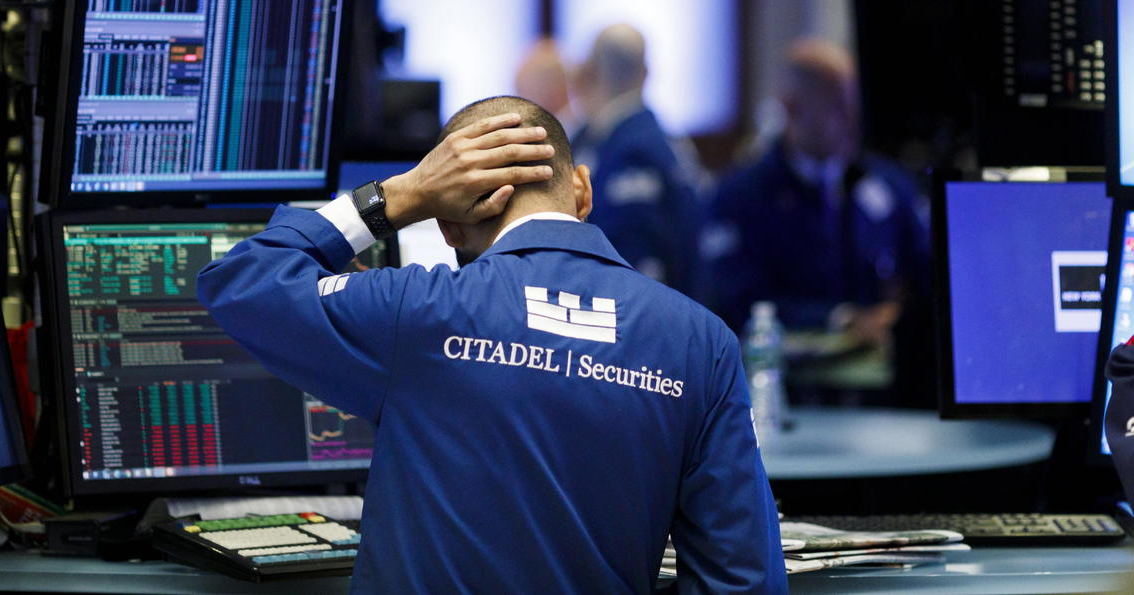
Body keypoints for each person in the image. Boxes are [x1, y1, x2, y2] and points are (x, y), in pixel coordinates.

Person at [199, 95, 786, 594]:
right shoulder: (703, 342)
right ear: (582, 190)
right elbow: (744, 579)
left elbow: (242, 280)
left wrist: (403, 194)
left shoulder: (418, 309)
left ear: (447, 224)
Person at [698, 39, 932, 401]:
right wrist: (842, 319)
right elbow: (737, 302)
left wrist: (900, 318)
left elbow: (927, 270)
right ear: (792, 108)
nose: (852, 119)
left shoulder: (885, 185)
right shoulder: (740, 198)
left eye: (853, 103)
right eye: (837, 105)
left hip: (885, 395)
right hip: (791, 394)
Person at [570, 23, 702, 295]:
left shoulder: (629, 148)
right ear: (645, 73)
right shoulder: (665, 141)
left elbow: (629, 258)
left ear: (588, 73)